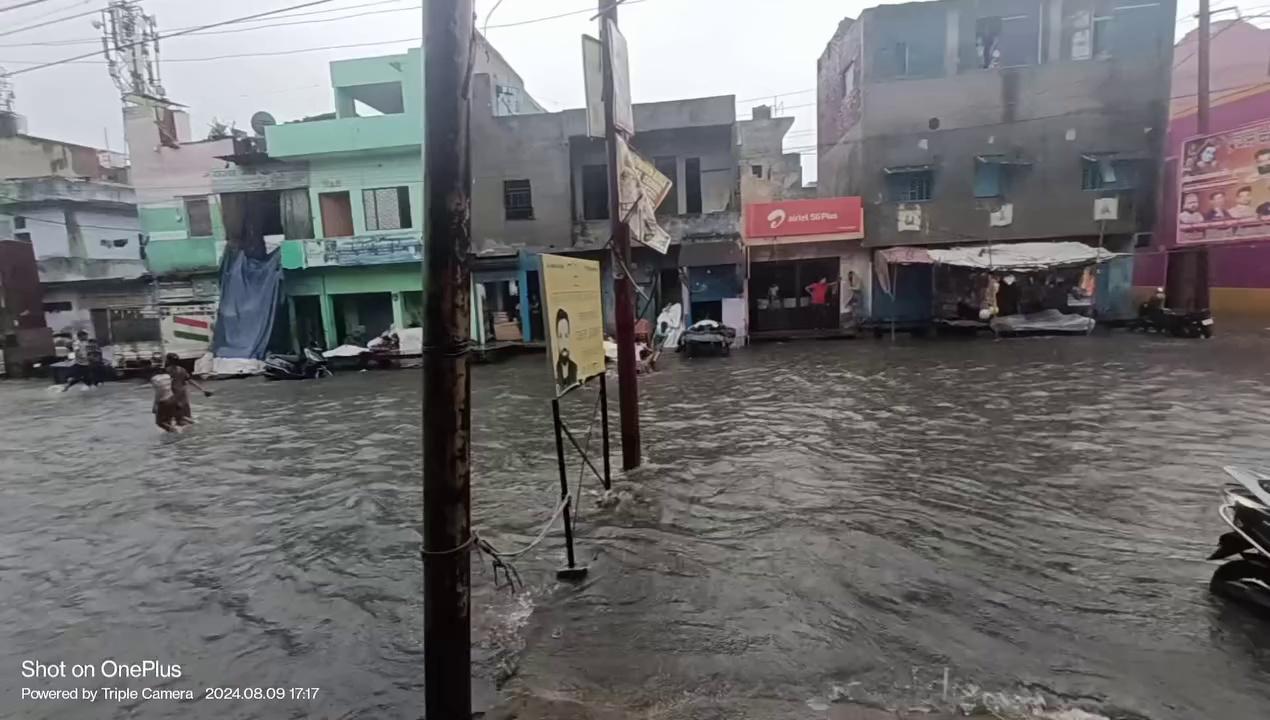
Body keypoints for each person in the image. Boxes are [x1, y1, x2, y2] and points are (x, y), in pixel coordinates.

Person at [164, 353, 211, 426]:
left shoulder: (166, 371)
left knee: (175, 419)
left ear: (168, 360)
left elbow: (163, 385)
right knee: (186, 417)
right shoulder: (182, 370)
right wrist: (203, 390)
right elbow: (190, 380)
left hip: (173, 395)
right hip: (183, 395)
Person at [554, 308, 577, 389]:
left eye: (566, 336)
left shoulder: (575, 367)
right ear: (556, 338)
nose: (564, 343)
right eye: (560, 336)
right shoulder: (554, 369)